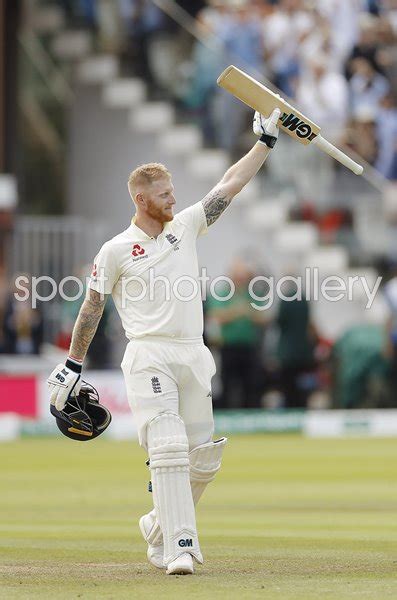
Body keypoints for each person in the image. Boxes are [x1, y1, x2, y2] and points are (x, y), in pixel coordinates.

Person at [47, 108, 281, 575]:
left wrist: (264, 143)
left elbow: (229, 186)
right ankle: (179, 547)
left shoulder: (185, 226)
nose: (173, 198)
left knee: (205, 459)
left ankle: (156, 525)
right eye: (163, 194)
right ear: (140, 198)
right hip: (149, 353)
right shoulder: (115, 250)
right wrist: (72, 364)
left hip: (194, 353)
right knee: (169, 446)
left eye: (173, 191)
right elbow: (92, 307)